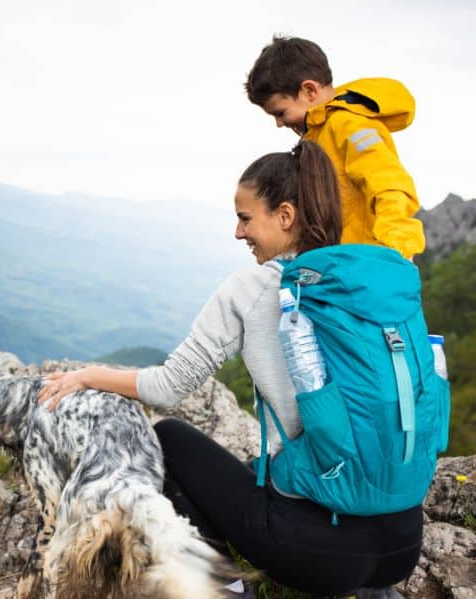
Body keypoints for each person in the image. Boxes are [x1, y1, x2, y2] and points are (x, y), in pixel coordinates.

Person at [37, 141, 421, 598]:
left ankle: (229, 589)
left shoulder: (255, 287)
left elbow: (169, 386)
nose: (238, 234)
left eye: (245, 218)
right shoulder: (365, 282)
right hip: (402, 545)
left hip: (320, 555)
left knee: (170, 439)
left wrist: (88, 375)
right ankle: (376, 591)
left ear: (284, 216)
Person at [245, 35, 425, 261]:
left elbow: (391, 188)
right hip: (332, 267)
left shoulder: (349, 126)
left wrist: (393, 256)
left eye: (280, 112)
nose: (279, 123)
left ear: (310, 91)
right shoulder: (315, 135)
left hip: (362, 268)